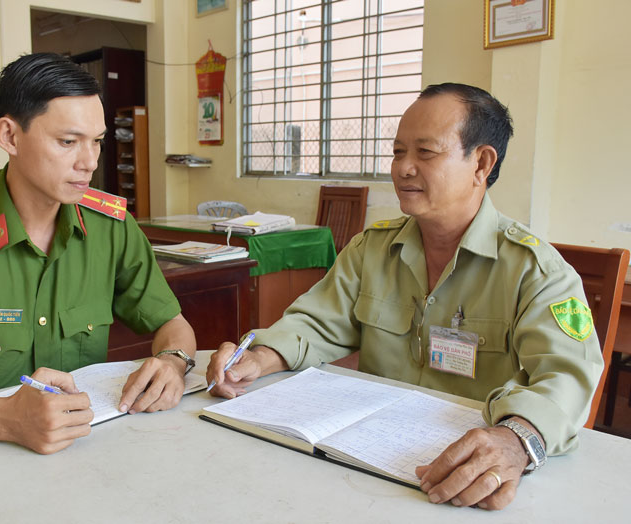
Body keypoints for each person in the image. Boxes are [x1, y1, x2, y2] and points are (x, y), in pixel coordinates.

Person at [206, 83, 603, 510]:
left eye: (425, 153)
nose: (403, 169)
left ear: (481, 163)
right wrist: (261, 357)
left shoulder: (536, 271)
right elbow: (318, 322)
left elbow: (567, 379)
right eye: (397, 152)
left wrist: (517, 438)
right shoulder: (372, 249)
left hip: (458, 483)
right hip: (358, 466)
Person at [0, 53, 197, 454]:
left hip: (83, 447)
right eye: (68, 142)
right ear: (9, 136)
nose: (89, 162)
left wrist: (174, 361)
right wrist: (4, 419)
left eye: (97, 142)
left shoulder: (111, 225)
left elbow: (173, 324)